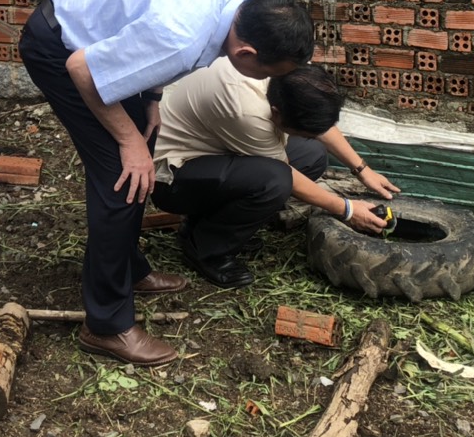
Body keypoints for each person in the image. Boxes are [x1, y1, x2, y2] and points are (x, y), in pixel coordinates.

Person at [19, 0, 314, 367]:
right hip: (61, 47)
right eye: (267, 73)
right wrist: (127, 141)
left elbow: (149, 46)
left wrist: (152, 99)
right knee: (121, 179)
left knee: (142, 144)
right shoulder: (181, 36)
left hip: (96, 36)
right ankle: (105, 326)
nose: (265, 83)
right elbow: (83, 69)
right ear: (246, 51)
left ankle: (131, 268)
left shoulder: (240, 4)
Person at [152, 60, 401, 288]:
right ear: (277, 112)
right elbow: (287, 176)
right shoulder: (248, 112)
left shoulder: (288, 70)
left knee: (311, 155)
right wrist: (347, 209)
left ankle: (209, 224)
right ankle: (205, 249)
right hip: (172, 177)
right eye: (300, 130)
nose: (304, 135)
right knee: (274, 181)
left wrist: (362, 169)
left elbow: (318, 123)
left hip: (212, 152)